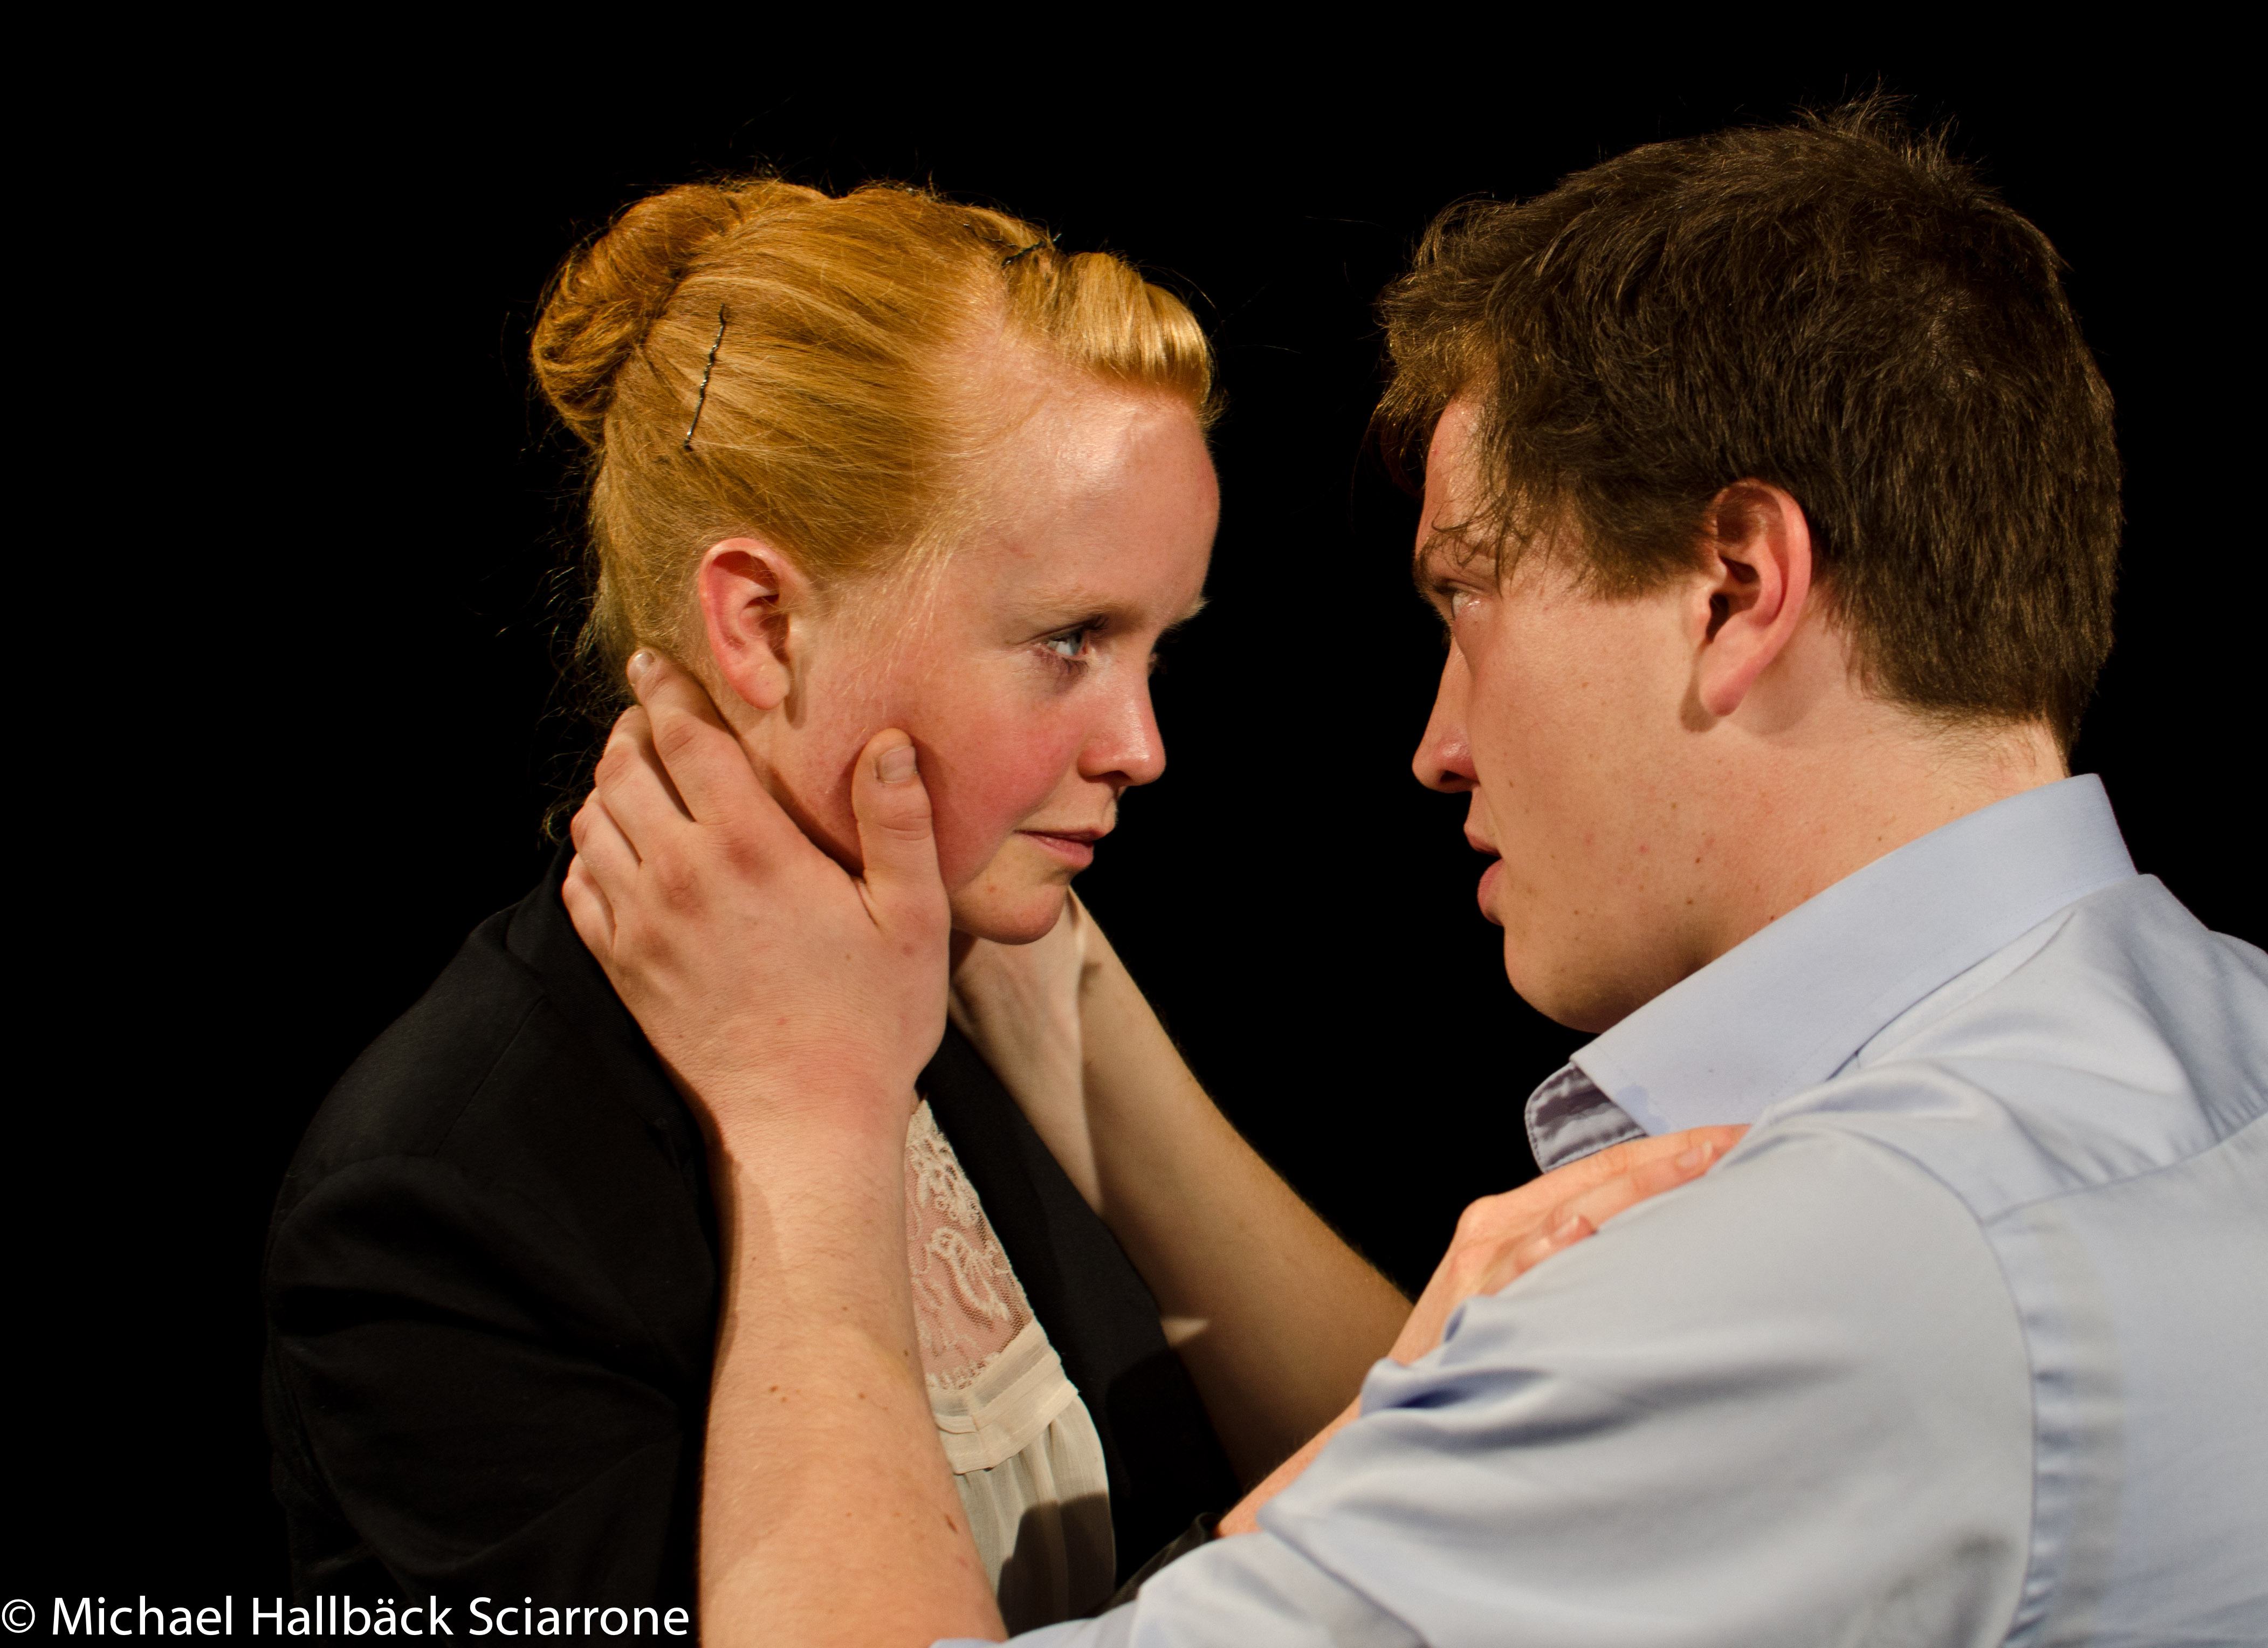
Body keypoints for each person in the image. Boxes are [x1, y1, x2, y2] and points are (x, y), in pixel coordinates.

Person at [569, 104, 2268, 1645]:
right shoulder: (2249, 1045)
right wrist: (1032, 953)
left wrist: (807, 1127)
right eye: (1068, 639)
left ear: (1736, 588)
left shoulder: (1843, 1275)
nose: (1439, 739)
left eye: (1467, 597)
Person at [259, 178, 1436, 1625]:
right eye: (1070, 639)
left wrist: (1057, 1000)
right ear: (763, 623)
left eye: (1153, 650)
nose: (1142, 748)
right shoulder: (452, 1187)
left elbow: (1453, 1532)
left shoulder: (986, 971)